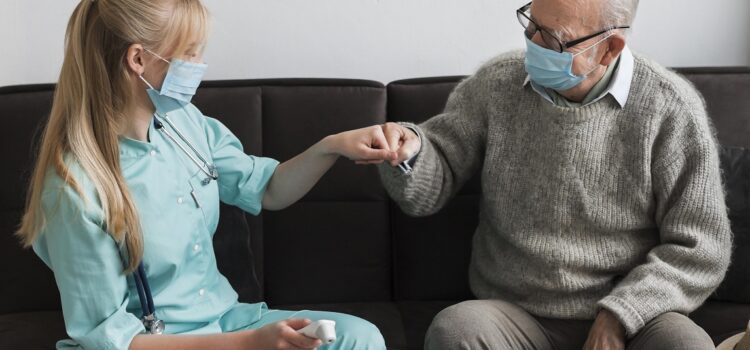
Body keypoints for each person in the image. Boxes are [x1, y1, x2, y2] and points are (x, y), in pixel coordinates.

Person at [16, 1, 390, 349]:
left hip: (227, 323)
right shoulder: (74, 188)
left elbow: (267, 189)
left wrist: (331, 147)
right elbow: (114, 340)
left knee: (360, 338)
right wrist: (250, 345)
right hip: (160, 342)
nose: (199, 64)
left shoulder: (186, 124)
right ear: (138, 59)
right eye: (190, 52)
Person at [376, 0, 732, 349]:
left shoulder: (671, 107)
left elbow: (701, 248)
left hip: (633, 318)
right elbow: (435, 176)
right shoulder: (498, 83)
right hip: (515, 313)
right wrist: (409, 152)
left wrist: (622, 314)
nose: (532, 41)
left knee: (686, 342)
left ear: (609, 49)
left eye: (553, 37)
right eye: (532, 23)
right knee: (455, 330)